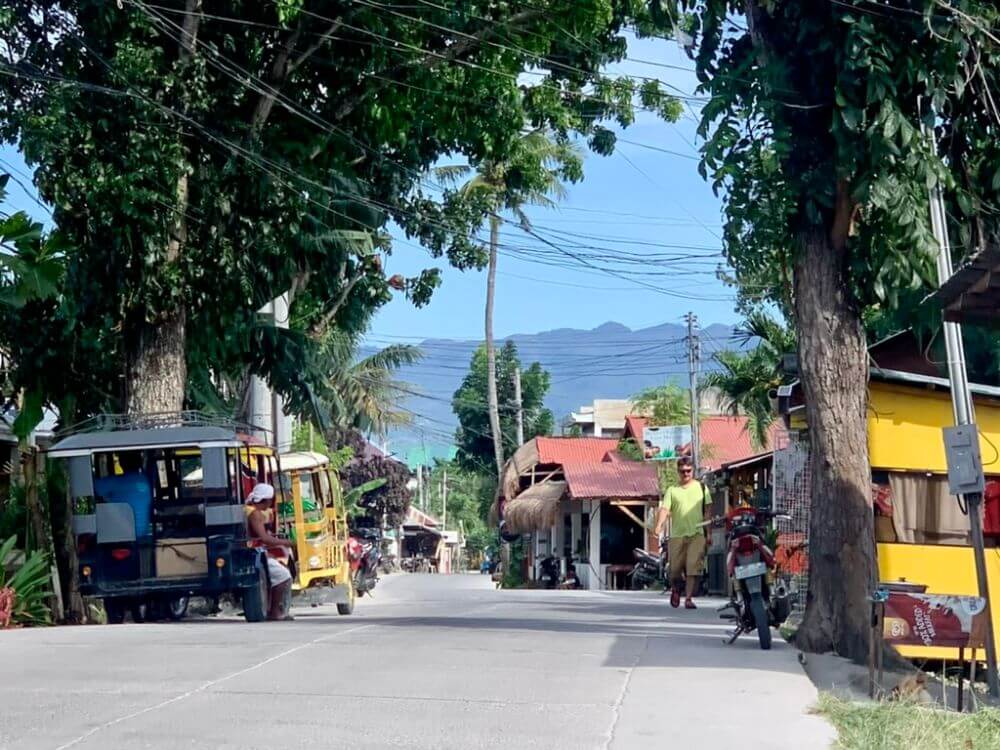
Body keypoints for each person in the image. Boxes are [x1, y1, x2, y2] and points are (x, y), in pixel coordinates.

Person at [654, 456, 711, 610]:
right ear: (678, 472)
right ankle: (676, 589)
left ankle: (689, 598)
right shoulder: (672, 490)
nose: (686, 474)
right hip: (677, 535)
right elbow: (665, 509)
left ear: (693, 470)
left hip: (697, 534)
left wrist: (709, 533)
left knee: (693, 566)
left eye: (688, 471)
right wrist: (659, 525)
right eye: (682, 471)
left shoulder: (701, 488)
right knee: (674, 570)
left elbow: (707, 511)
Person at [244, 483, 295, 621]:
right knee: (284, 576)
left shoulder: (248, 510)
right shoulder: (255, 514)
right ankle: (275, 612)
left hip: (253, 552)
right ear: (266, 500)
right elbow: (265, 538)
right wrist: (287, 542)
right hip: (252, 554)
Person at [94, 451, 153, 540]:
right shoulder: (144, 480)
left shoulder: (118, 481)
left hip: (121, 534)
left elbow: (94, 487)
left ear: (122, 463)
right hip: (143, 533)